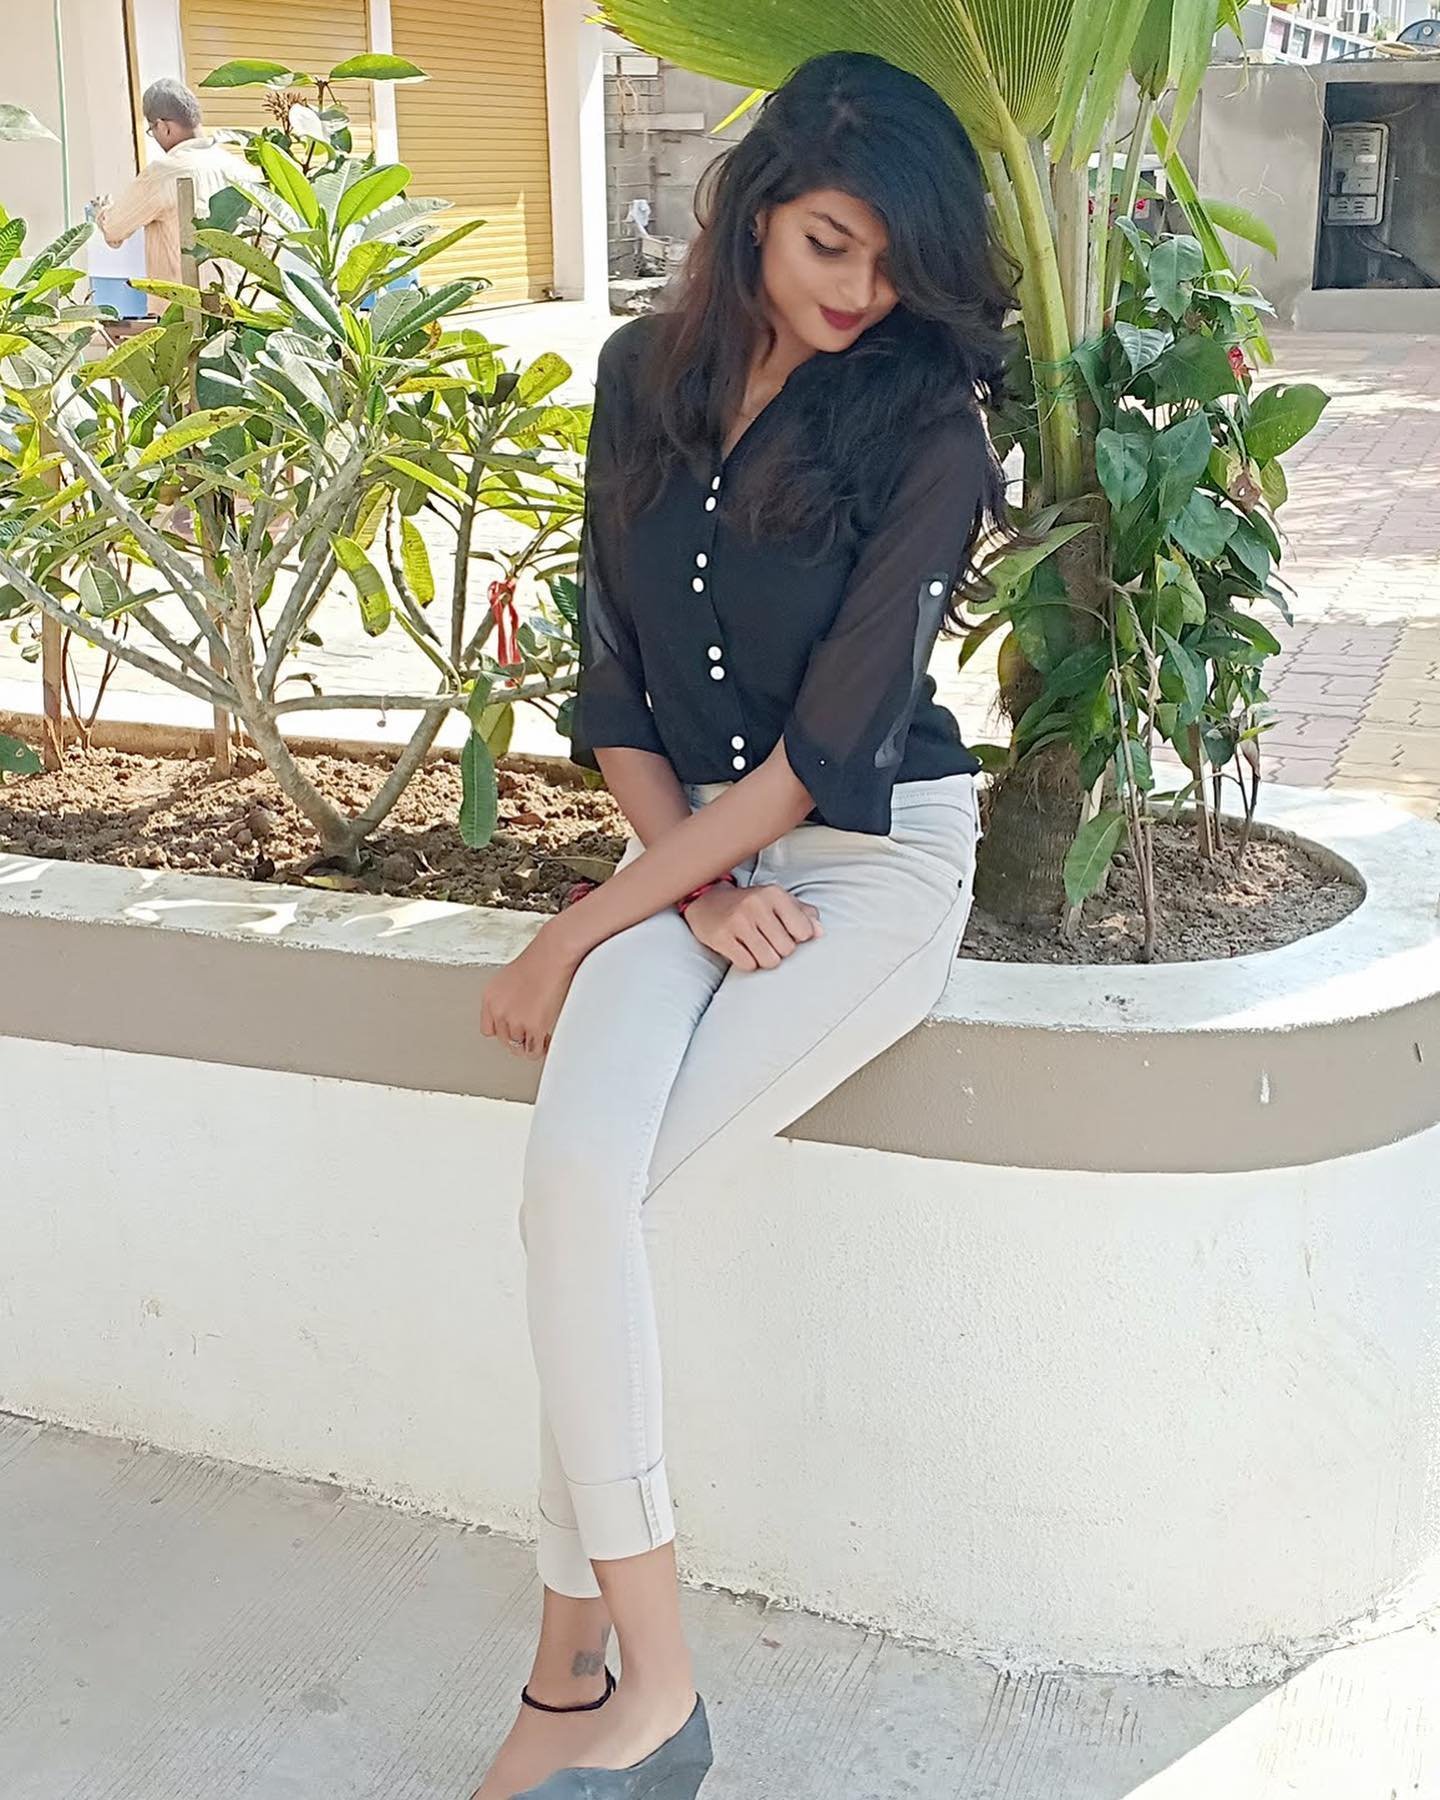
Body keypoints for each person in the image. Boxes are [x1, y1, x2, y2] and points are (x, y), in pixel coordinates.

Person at [472, 49, 1014, 1800]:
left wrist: (575, 934)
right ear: (759, 208)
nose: (860, 294)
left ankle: (586, 1676)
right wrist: (686, 888)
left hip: (869, 859)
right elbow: (614, 683)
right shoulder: (642, 377)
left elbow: (823, 755)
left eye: (894, 266)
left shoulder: (927, 429)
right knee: (574, 1192)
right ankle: (633, 1686)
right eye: (831, 246)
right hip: (688, 859)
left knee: (597, 1214)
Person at [96, 78, 249, 316]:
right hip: (245, 309)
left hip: (184, 317)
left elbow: (114, 229)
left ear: (163, 126)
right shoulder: (241, 169)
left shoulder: (164, 172)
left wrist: (101, 212)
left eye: (152, 130)